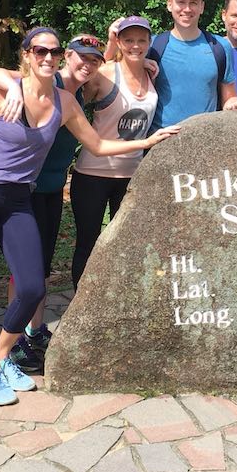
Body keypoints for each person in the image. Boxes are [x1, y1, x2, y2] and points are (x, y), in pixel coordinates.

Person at [0, 27, 178, 405]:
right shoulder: (1, 94)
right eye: (40, 51)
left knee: (32, 285)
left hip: (18, 198)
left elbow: (96, 144)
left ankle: (3, 354)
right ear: (27, 55)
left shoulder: (66, 102)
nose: (48, 58)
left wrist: (145, 142)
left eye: (54, 52)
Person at [0, 34, 105, 373]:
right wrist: (11, 89)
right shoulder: (47, 79)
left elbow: (116, 59)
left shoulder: (78, 93)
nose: (87, 64)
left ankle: (34, 332)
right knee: (25, 273)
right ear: (66, 56)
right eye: (81, 58)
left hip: (52, 191)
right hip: (27, 191)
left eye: (94, 60)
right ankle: (18, 340)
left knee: (43, 267)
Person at [70, 16, 158, 290]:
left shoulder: (152, 72)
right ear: (119, 41)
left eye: (141, 40)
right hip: (93, 174)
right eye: (128, 40)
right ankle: (80, 307)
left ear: (149, 43)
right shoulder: (107, 73)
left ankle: (117, 299)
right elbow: (76, 83)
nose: (135, 46)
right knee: (88, 241)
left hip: (131, 176)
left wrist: (142, 63)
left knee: (126, 242)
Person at [145, 0, 237, 129]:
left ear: (202, 7)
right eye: (181, 2)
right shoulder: (152, 45)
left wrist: (235, 104)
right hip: (161, 141)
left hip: (205, 141)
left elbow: (229, 97)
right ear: (169, 4)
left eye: (193, 3)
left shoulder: (220, 47)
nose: (187, 9)